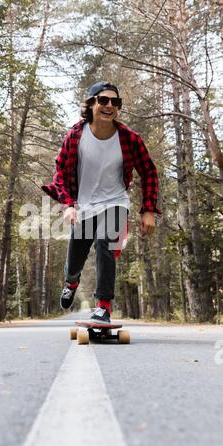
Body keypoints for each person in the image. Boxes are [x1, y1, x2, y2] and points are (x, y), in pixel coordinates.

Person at [42, 81, 161, 324]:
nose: (109, 106)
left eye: (115, 102)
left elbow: (148, 171)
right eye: (103, 100)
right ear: (91, 104)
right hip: (83, 206)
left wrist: (148, 209)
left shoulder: (129, 138)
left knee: (107, 244)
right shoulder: (76, 135)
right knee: (75, 257)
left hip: (115, 202)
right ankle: (71, 281)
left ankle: (104, 306)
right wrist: (69, 205)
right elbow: (60, 174)